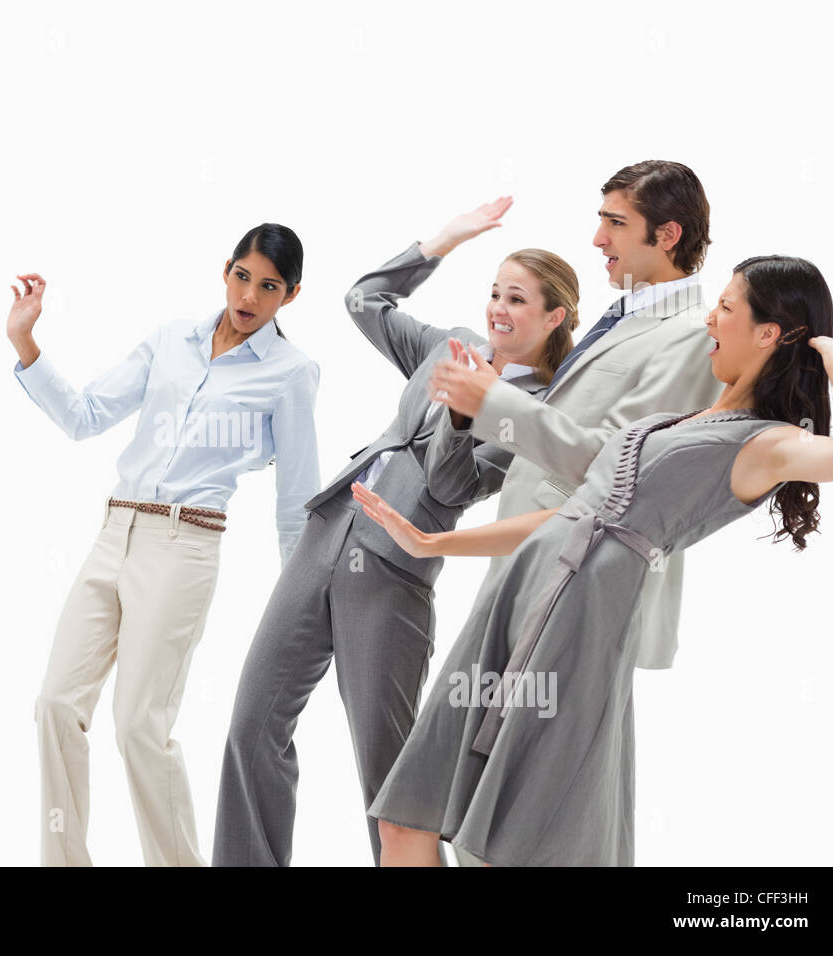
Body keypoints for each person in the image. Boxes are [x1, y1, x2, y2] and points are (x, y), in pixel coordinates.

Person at [354, 255, 833, 866]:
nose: (709, 320)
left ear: (769, 333)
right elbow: (576, 514)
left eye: (725, 307)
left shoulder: (766, 441)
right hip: (520, 594)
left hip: (581, 619)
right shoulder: (685, 419)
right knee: (408, 820)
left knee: (510, 841)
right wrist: (434, 544)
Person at [213, 198, 580, 866]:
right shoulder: (453, 345)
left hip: (393, 570)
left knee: (389, 783)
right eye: (495, 292)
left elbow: (447, 483)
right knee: (251, 726)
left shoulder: (536, 415)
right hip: (328, 528)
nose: (499, 307)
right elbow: (364, 300)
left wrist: (470, 405)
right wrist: (441, 242)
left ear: (553, 317)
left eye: (518, 299)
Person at [8, 223, 320, 867]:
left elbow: (295, 500)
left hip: (186, 544)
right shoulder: (170, 340)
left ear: (290, 296)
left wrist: (302, 600)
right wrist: (25, 340)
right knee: (56, 705)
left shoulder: (291, 374)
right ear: (225, 269)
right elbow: (84, 416)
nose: (250, 296)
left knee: (138, 727)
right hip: (114, 530)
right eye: (242, 276)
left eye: (269, 287)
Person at [427, 161, 722, 672]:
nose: (597, 239)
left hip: (577, 577)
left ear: (668, 235)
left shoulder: (691, 335)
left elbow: (620, 466)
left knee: (526, 744)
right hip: (538, 562)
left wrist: (491, 400)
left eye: (616, 223)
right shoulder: (626, 316)